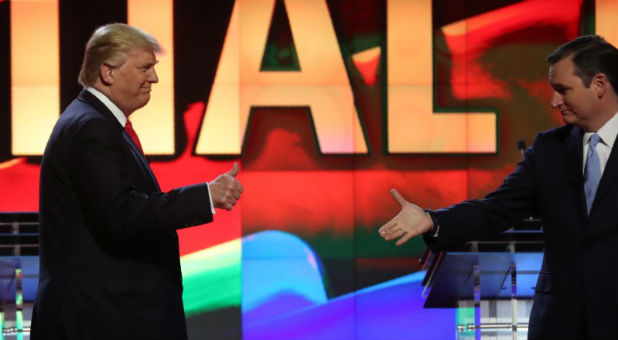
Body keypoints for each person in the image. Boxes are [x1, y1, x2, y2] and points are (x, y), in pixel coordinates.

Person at [379, 35, 617, 340]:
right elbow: (497, 209)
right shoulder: (549, 149)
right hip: (560, 324)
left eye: (562, 90)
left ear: (599, 85)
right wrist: (433, 220)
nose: (554, 101)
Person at [30, 23, 243, 339]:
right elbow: (124, 213)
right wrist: (206, 196)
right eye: (145, 68)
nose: (154, 78)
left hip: (108, 314)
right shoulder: (91, 129)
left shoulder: (96, 123)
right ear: (108, 72)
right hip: (102, 319)